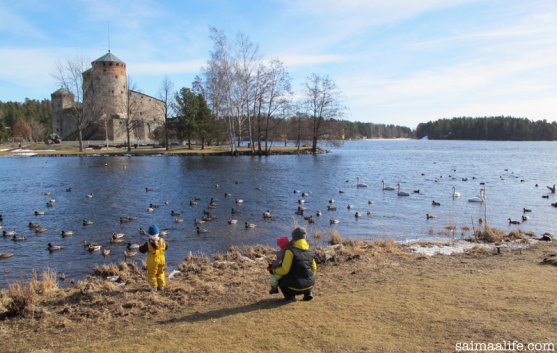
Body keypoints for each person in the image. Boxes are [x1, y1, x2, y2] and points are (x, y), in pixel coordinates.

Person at [272, 227, 316, 301]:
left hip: (294, 287)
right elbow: (314, 268)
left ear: (294, 238)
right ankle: (308, 293)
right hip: (310, 284)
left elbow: (284, 270)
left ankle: (290, 297)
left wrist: (274, 271)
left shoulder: (290, 251)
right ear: (304, 238)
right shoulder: (310, 251)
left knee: (279, 277)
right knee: (307, 274)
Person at [139, 224, 168, 292]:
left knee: (152, 274)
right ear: (158, 234)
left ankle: (153, 287)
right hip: (162, 260)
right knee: (161, 272)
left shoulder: (148, 243)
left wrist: (140, 247)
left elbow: (142, 250)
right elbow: (166, 247)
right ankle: (161, 286)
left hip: (153, 262)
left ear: (149, 235)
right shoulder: (163, 241)